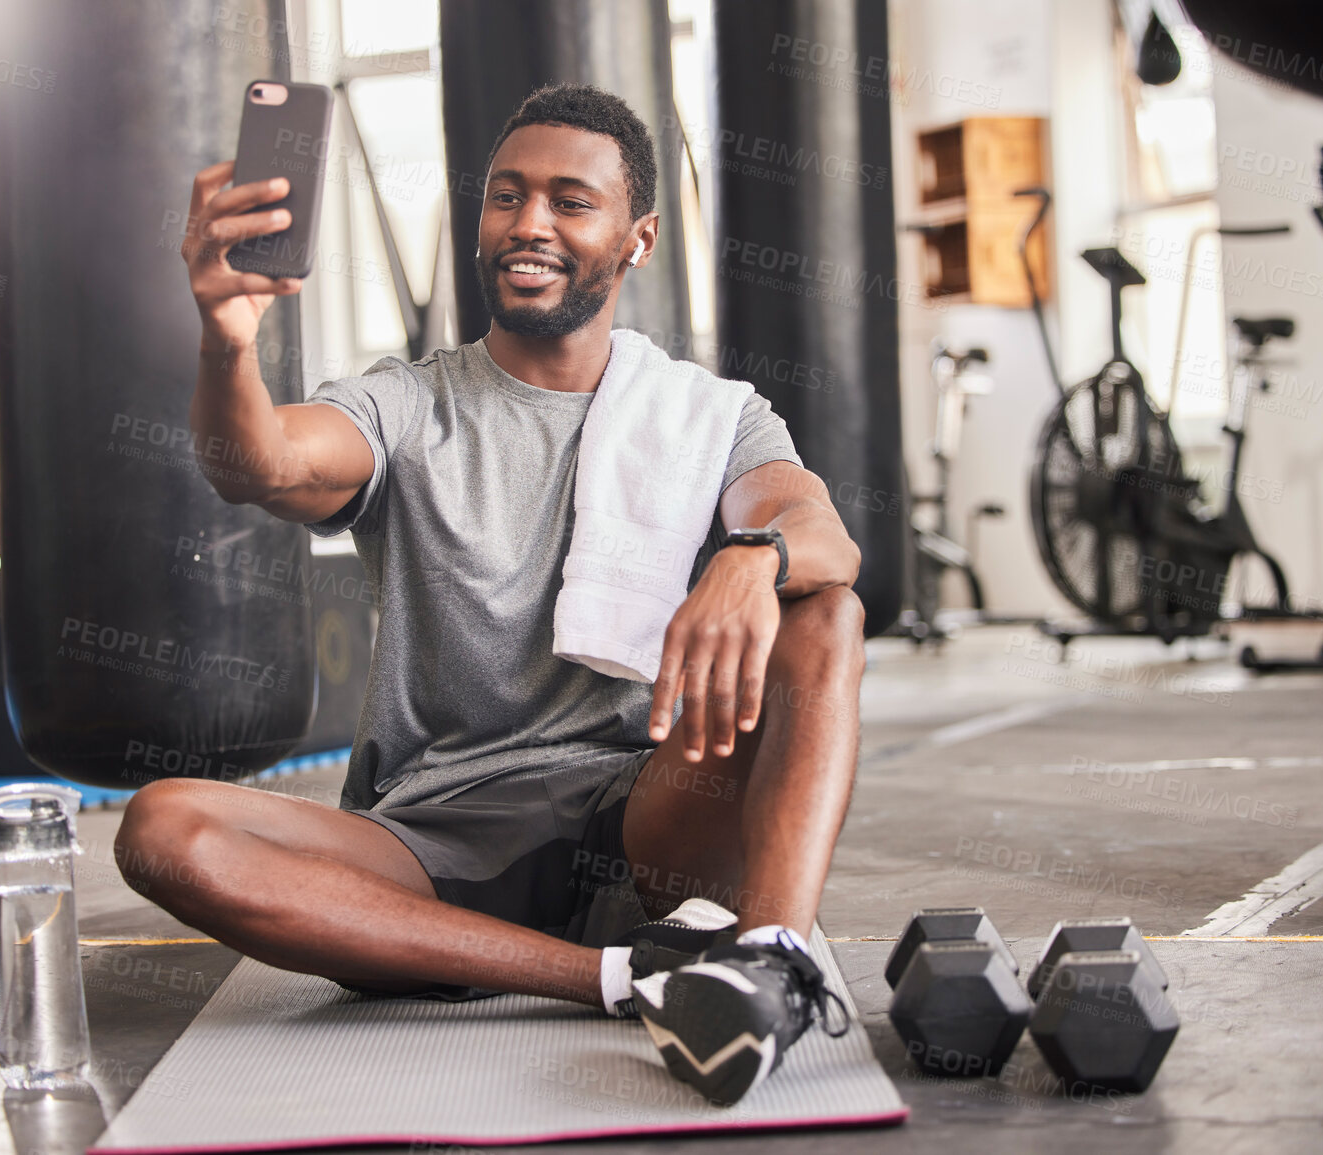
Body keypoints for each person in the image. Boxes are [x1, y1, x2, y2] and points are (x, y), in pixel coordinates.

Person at [116, 82, 865, 1107]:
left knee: (825, 607)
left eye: (570, 200)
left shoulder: (708, 414)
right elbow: (264, 463)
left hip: (645, 817)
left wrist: (750, 558)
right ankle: (627, 978)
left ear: (639, 240)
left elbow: (817, 531)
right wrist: (226, 343)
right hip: (431, 838)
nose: (528, 224)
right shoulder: (408, 404)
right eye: (506, 196)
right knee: (164, 830)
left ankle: (771, 964)